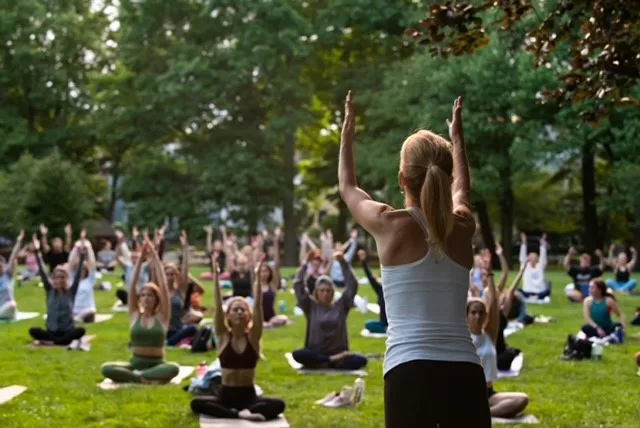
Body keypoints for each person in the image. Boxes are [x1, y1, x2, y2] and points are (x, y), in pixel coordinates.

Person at [338, 93, 490, 427]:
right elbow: (462, 192)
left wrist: (347, 131)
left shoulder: (389, 224)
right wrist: (458, 141)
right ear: (446, 177)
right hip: (465, 372)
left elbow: (349, 187)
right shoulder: (463, 226)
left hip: (410, 372)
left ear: (403, 178)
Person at [190, 256, 285, 421]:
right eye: (235, 309)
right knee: (197, 403)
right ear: (229, 315)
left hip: (249, 395)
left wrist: (256, 278)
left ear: (249, 315)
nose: (240, 312)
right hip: (226, 395)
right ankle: (239, 414)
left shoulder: (254, 338)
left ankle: (242, 411)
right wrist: (217, 278)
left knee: (279, 404)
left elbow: (258, 306)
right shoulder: (223, 336)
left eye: (243, 309)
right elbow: (218, 307)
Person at [101, 239, 180, 384]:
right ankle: (142, 377)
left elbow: (163, 285)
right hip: (135, 363)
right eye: (143, 295)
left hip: (158, 364)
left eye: (150, 295)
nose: (146, 298)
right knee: (106, 368)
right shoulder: (135, 315)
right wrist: (140, 259)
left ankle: (139, 376)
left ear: (156, 299)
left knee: (174, 368)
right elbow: (132, 284)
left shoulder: (162, 316)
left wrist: (155, 257)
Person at [467, 259, 530, 418]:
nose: (478, 315)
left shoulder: (488, 335)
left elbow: (494, 304)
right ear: (466, 315)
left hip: (488, 393)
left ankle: (479, 415)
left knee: (522, 399)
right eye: (473, 312)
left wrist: (489, 275)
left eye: (481, 312)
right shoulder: (462, 337)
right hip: (466, 393)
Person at [292, 252, 368, 370]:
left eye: (328, 291)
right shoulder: (310, 306)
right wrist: (305, 264)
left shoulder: (342, 305)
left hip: (340, 353)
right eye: (321, 291)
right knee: (298, 354)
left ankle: (327, 362)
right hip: (316, 353)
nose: (325, 294)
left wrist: (344, 263)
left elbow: (352, 285)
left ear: (332, 292)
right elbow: (298, 285)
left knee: (361, 360)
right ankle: (331, 361)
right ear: (316, 292)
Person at [29, 235, 87, 347]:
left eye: (62, 277)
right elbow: (42, 272)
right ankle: (58, 341)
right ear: (53, 279)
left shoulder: (71, 291)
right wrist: (37, 252)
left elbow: (78, 274)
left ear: (66, 279)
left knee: (81, 330)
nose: (59, 280)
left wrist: (82, 255)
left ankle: (55, 342)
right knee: (33, 330)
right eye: (57, 277)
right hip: (51, 331)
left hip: (67, 331)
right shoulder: (49, 290)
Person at [165, 231, 198, 346]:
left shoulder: (180, 291)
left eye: (172, 274)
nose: (169, 277)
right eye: (167, 274)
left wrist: (185, 248)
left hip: (178, 329)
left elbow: (185, 270)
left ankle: (169, 343)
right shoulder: (160, 291)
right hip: (163, 330)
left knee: (193, 329)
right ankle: (169, 342)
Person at [256, 227, 288, 328]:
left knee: (284, 318)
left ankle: (269, 324)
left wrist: (276, 241)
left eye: (266, 271)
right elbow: (258, 261)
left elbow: (277, 262)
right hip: (259, 317)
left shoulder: (272, 285)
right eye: (262, 271)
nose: (264, 273)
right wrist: (260, 245)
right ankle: (266, 325)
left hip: (272, 317)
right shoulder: (256, 285)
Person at [68, 231, 98, 323]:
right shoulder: (72, 279)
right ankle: (75, 318)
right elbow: (70, 262)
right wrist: (76, 247)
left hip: (87, 311)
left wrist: (88, 247)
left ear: (86, 270)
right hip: (73, 311)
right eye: (78, 268)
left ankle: (79, 318)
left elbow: (92, 263)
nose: (80, 270)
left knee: (90, 313)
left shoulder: (90, 280)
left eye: (82, 269)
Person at [358, 250, 387, 334]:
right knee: (368, 324)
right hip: (384, 324)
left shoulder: (394, 291)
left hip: (393, 324)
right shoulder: (380, 289)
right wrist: (364, 262)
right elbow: (371, 278)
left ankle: (388, 329)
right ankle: (387, 329)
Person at [519, 232, 551, 300]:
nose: (533, 259)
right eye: (531, 257)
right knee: (517, 291)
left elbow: (543, 257)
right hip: (527, 292)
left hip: (540, 292)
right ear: (528, 259)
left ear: (537, 259)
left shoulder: (540, 266)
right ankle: (532, 297)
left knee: (548, 286)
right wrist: (524, 243)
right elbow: (522, 257)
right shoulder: (525, 267)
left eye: (535, 257)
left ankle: (535, 297)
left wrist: (542, 245)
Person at [0, 231, 24, 320]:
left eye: (1, 265)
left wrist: (19, 242)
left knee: (12, 305)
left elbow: (13, 256)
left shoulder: (8, 275)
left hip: (8, 307)